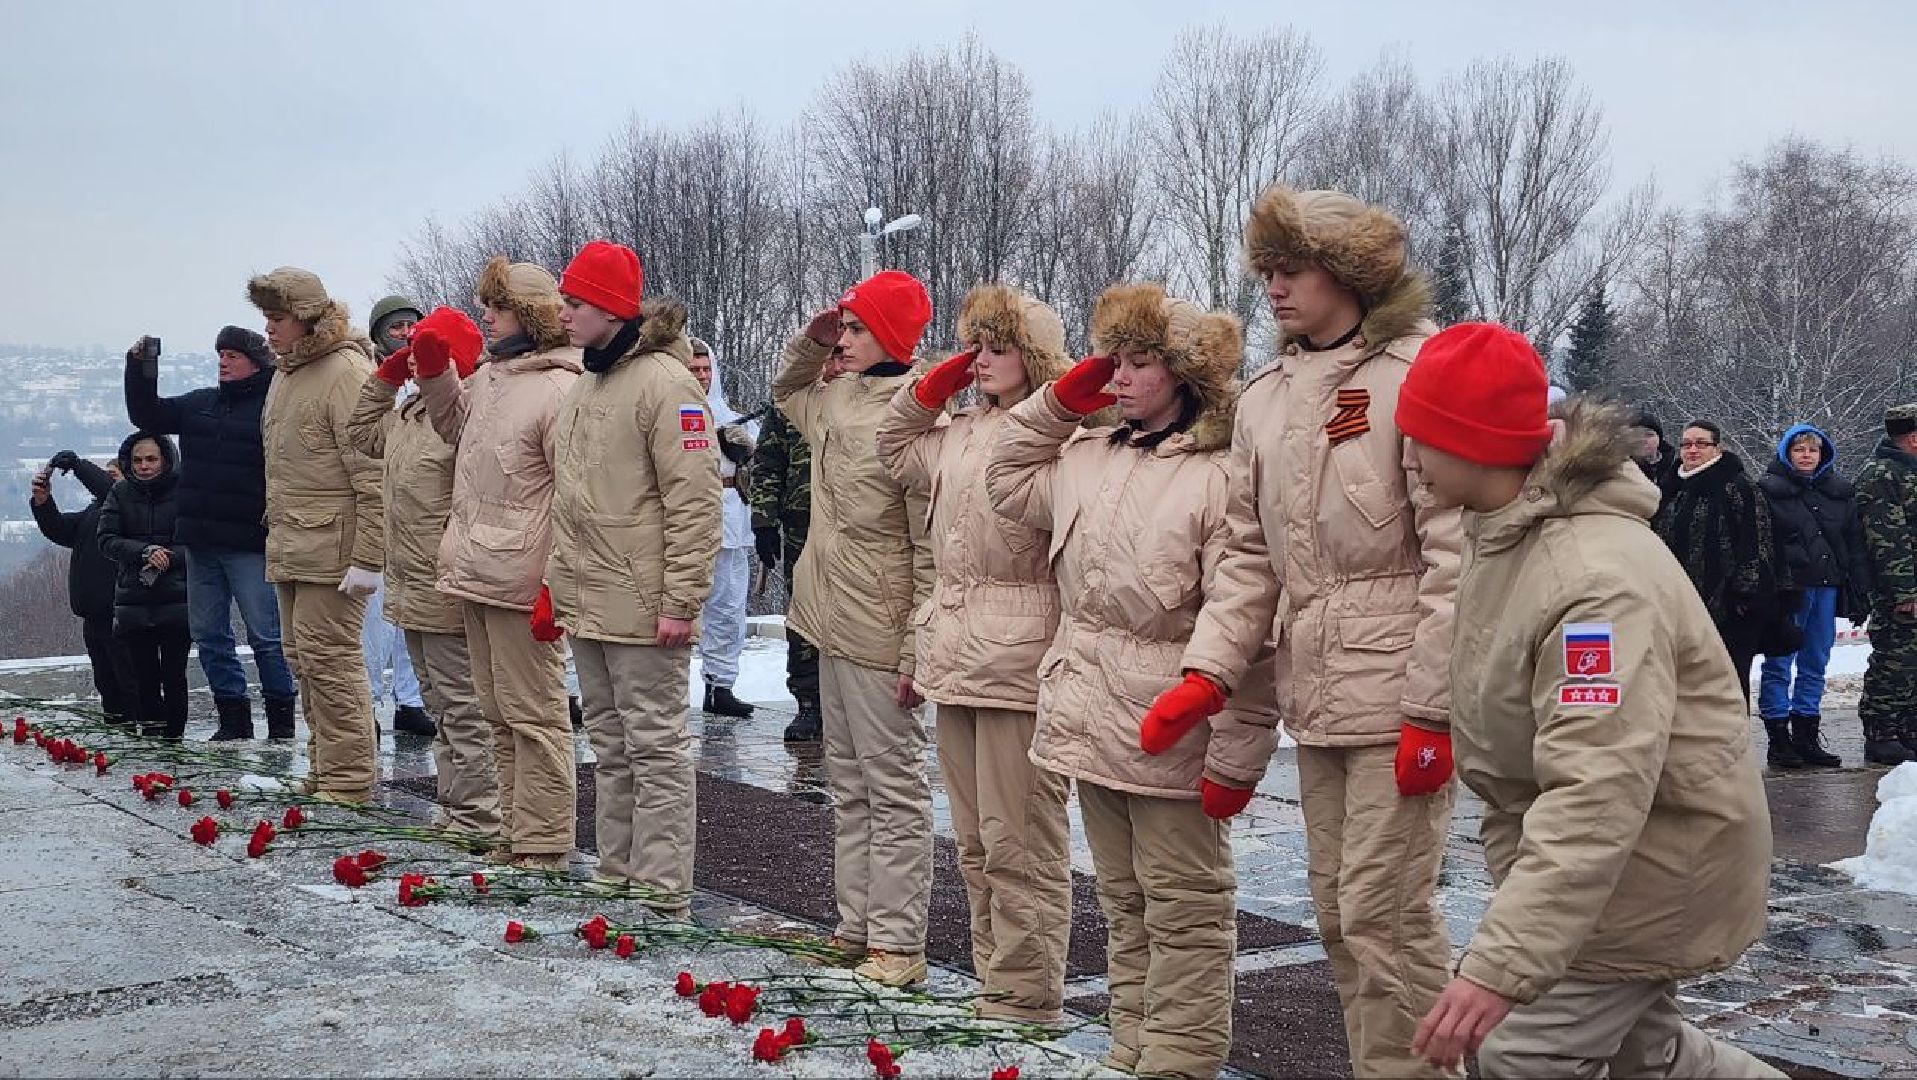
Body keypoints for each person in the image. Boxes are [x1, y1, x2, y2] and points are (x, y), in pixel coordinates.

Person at [1396, 323, 1781, 1080]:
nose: (1406, 456)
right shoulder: (1508, 532)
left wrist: (1499, 967)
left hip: (1646, 865)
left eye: (1421, 436)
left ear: (1477, 445)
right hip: (1611, 864)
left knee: (1522, 1051)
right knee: (1652, 1056)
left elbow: (1597, 788)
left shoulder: (1592, 581)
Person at [1173, 186, 1462, 1079]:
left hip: (1396, 697)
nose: (1272, 289)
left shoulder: (1415, 376)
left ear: (1348, 275)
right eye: (1264, 272)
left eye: (1289, 270)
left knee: (1387, 916)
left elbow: (1456, 557)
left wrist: (1433, 708)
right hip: (1318, 694)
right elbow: (1249, 560)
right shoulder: (1264, 399)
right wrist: (1209, 672)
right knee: (1340, 915)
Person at [985, 283, 1280, 1076]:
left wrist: (1236, 750)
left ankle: (1176, 1063)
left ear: (1185, 376)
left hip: (1172, 723)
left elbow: (1251, 622)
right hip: (1089, 712)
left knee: (1185, 912)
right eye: (1113, 360)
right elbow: (1004, 477)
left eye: (1138, 363)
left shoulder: (1222, 476)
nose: (1117, 377)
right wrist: (1055, 403)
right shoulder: (1088, 456)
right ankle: (1129, 1052)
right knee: (1124, 906)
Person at [875, 284, 1078, 1023]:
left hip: (1019, 657)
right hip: (956, 651)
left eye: (997, 348)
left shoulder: (1061, 433)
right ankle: (996, 983)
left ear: (1033, 356)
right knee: (973, 843)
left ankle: (1026, 998)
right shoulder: (958, 430)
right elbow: (892, 449)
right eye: (976, 348)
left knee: (1018, 843)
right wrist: (927, 391)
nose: (982, 361)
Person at [770, 270, 937, 987]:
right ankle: (857, 926)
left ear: (892, 337)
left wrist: (914, 648)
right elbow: (786, 395)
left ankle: (899, 944)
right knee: (848, 782)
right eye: (842, 327)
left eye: (857, 328)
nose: (844, 338)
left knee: (891, 785)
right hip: (827, 615)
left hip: (881, 621)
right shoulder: (837, 397)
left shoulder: (917, 413)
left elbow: (929, 549)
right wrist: (811, 340)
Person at [547, 240, 719, 905]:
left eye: (576, 303)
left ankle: (661, 882)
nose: (563, 314)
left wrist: (681, 598)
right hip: (590, 594)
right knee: (610, 743)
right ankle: (617, 869)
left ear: (611, 310)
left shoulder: (665, 383)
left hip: (643, 600)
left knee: (654, 745)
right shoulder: (589, 381)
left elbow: (693, 499)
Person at [417, 256, 583, 868]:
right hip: (477, 564)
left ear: (533, 319)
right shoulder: (490, 376)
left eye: (500, 307)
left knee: (533, 716)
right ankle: (516, 830)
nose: (486, 316)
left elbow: (574, 496)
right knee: (495, 712)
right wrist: (438, 377)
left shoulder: (560, 388)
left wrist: (553, 584)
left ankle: (543, 842)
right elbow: (454, 429)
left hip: (522, 574)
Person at [347, 305, 498, 840]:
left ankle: (479, 814)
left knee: (463, 708)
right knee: (439, 705)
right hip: (410, 583)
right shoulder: (409, 417)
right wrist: (385, 379)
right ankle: (455, 806)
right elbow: (360, 434)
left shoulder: (467, 416)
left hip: (447, 585)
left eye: (423, 357)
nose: (411, 366)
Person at [249, 267, 384, 802]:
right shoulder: (287, 372)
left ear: (306, 321)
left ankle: (350, 778)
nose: (268, 331)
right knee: (302, 658)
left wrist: (370, 556)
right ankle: (326, 768)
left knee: (331, 659)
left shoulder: (345, 372)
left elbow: (373, 472)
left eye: (277, 319)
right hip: (291, 543)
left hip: (334, 548)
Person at [125, 326, 297, 741]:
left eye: (232, 355)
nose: (223, 361)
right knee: (208, 634)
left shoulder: (275, 406)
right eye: (220, 354)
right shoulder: (201, 403)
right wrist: (140, 368)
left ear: (255, 361)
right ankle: (233, 718)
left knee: (267, 637)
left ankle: (281, 721)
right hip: (200, 543)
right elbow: (148, 416)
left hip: (251, 542)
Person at [1757, 423, 1870, 768]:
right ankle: (1778, 736)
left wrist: (1860, 589)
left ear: (1823, 455)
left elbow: (1854, 543)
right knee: (1779, 662)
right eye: (1799, 450)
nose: (1806, 456)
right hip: (1788, 590)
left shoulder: (1838, 493)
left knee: (1816, 662)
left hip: (1826, 586)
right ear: (1787, 453)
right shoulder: (1767, 491)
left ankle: (1806, 733)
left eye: (1813, 450)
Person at [1651, 420, 1785, 705]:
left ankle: (1733, 746)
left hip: (1729, 605)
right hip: (1677, 601)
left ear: (1717, 448)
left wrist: (1745, 594)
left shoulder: (1737, 486)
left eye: (1701, 443)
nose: (1693, 450)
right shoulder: (1670, 487)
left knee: (1729, 682)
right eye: (1686, 444)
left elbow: (1758, 541)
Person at [361, 296, 433, 737]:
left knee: (415, 617)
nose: (405, 334)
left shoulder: (432, 376)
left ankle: (412, 701)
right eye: (395, 328)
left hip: (419, 515)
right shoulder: (368, 380)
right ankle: (366, 701)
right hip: (375, 511)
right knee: (372, 621)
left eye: (412, 326)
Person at [96, 433, 191, 740]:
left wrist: (170, 557)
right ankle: (151, 735)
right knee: (143, 675)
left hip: (177, 598)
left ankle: (174, 739)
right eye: (138, 460)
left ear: (165, 459)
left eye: (151, 459)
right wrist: (144, 552)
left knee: (174, 675)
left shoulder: (183, 491)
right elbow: (106, 540)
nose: (144, 466)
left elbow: (197, 540)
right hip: (134, 599)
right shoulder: (119, 493)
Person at [31, 451, 133, 725]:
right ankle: (118, 730)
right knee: (106, 683)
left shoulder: (130, 509)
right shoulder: (93, 512)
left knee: (129, 683)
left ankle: (141, 730)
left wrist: (77, 466)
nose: (106, 479)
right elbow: (60, 529)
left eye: (113, 474)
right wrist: (43, 502)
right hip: (92, 614)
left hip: (120, 613)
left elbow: (114, 491)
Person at [686, 336, 757, 719]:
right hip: (687, 517)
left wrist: (743, 451)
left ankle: (721, 683)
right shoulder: (670, 410)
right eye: (693, 369)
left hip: (730, 517)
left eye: (704, 369)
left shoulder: (730, 414)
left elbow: (757, 466)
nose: (700, 376)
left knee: (728, 606)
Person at [749, 386, 823, 741]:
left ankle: (851, 702)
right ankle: (809, 703)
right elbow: (767, 462)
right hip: (801, 524)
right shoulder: (791, 400)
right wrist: (763, 520)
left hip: (857, 525)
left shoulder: (864, 393)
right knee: (803, 614)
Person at [1853, 404, 1917, 766]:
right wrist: (1904, 592)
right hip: (1900, 588)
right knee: (1895, 660)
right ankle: (1881, 732)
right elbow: (1887, 539)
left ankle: (1908, 728)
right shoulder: (1881, 475)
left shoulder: (1909, 471)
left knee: (1913, 662)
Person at [1630, 408, 1677, 491]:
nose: (1642, 440)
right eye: (1636, 435)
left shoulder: (1676, 470)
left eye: (1649, 435)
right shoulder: (1619, 470)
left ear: (1659, 439)